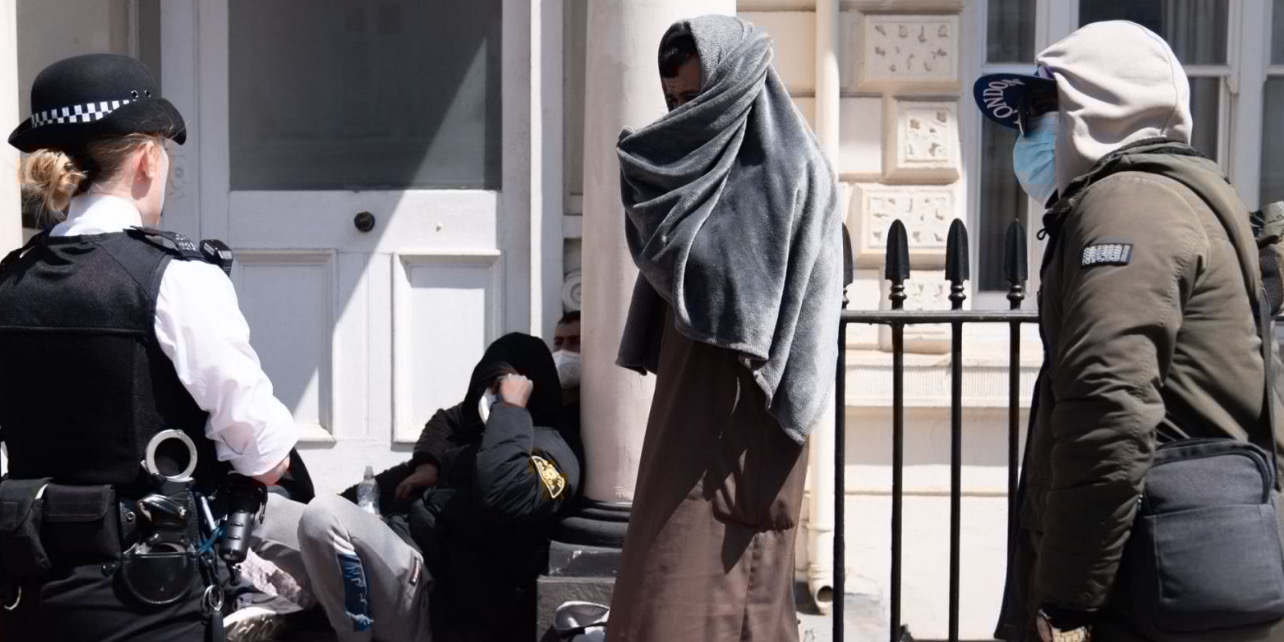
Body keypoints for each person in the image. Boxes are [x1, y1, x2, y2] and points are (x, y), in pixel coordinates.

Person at [973, 21, 1284, 641]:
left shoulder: (1130, 203)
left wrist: (1067, 602)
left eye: (1041, 109)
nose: (1027, 133)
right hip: (1172, 569)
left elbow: (1109, 408)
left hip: (1152, 585)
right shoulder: (1161, 196)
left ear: (1100, 105)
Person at [0, 54, 299, 641]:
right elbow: (264, 457)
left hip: (26, 592)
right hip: (148, 597)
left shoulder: (9, 282)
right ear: (145, 158)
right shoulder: (177, 279)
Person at [607, 15, 843, 642]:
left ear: (732, 86)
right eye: (674, 100)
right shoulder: (700, 168)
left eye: (696, 96)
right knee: (659, 588)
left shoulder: (786, 171)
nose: (683, 113)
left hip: (743, 411)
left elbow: (754, 297)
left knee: (710, 593)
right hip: (687, 396)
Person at [295, 333, 582, 642]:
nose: (494, 397)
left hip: (432, 595)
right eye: (491, 387)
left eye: (501, 389)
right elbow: (449, 420)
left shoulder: (555, 448)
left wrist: (511, 410)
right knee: (279, 514)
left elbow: (502, 492)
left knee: (324, 515)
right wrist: (427, 464)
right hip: (402, 545)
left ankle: (352, 636)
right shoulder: (483, 431)